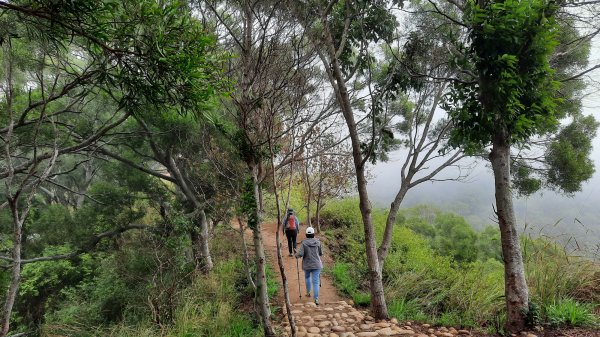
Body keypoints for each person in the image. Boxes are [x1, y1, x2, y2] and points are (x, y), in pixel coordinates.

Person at [296, 226, 323, 305]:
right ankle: (316, 299)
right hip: (317, 265)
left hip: (307, 265)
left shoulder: (304, 243)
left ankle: (308, 292)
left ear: (306, 235)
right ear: (314, 234)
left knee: (307, 277)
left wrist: (296, 255)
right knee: (316, 282)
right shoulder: (318, 242)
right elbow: (321, 253)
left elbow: (300, 254)